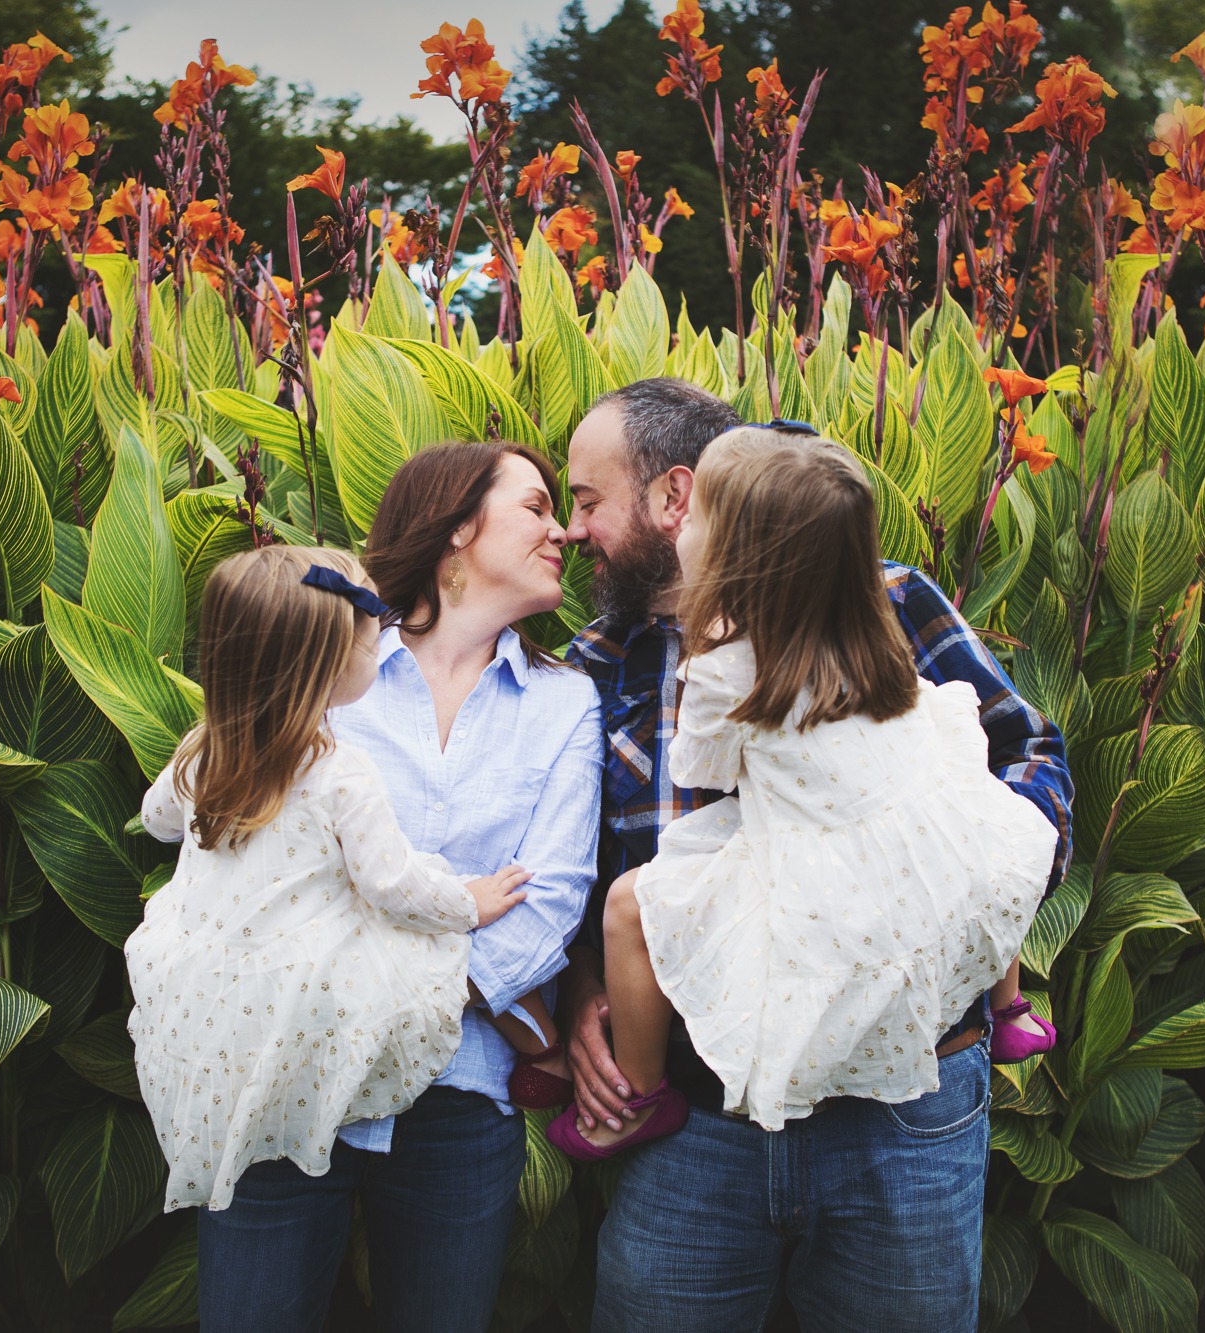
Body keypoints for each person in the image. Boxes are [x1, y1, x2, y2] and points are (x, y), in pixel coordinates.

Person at [560, 380, 1074, 1333]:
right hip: (703, 1113)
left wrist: (954, 885)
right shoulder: (596, 665)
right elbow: (570, 872)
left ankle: (998, 1009)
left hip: (902, 1105)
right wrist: (580, 984)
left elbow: (1023, 754)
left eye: (589, 500)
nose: (573, 528)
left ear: (679, 499)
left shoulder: (879, 598)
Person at [192, 444, 603, 1333]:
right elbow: (250, 863)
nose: (562, 528)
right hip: (286, 1074)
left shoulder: (566, 705)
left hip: (454, 1094)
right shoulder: (327, 664)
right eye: (536, 507)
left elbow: (550, 901)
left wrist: (365, 982)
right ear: (460, 526)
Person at [125, 545, 532, 1219]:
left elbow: (156, 818)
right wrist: (468, 901)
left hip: (212, 983)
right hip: (300, 983)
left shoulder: (203, 751)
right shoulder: (341, 771)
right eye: (373, 643)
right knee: (415, 960)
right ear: (327, 664)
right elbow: (390, 883)